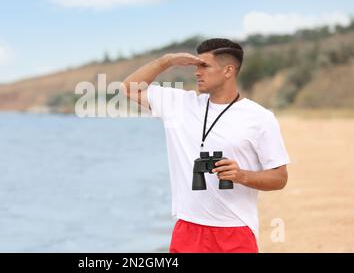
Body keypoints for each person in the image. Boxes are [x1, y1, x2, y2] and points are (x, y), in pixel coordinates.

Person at [121, 38, 290, 253]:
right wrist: (166, 61)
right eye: (196, 66)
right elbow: (128, 89)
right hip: (188, 228)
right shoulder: (180, 104)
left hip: (235, 229)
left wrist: (241, 175)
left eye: (204, 66)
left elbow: (280, 178)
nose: (197, 72)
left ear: (228, 70)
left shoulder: (260, 118)